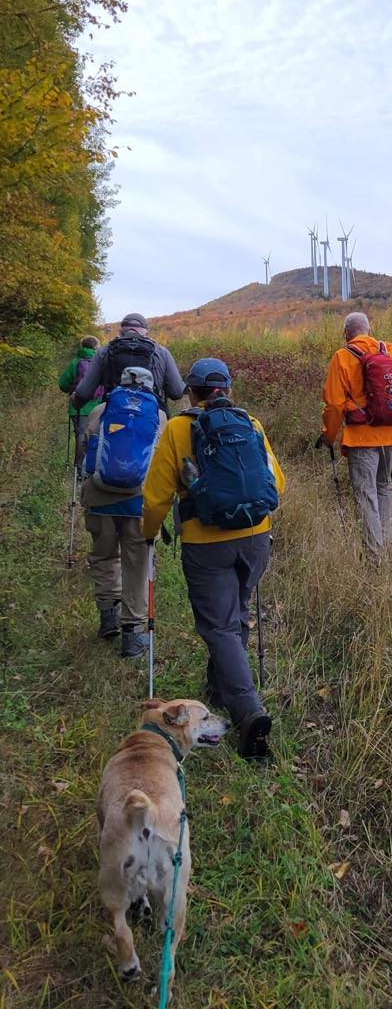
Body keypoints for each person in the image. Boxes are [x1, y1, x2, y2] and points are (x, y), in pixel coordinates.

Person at [142, 358, 285, 762]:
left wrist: (148, 533)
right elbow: (278, 482)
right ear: (227, 388)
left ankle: (247, 714)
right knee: (235, 614)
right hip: (257, 537)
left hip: (207, 543)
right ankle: (218, 687)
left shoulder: (177, 428)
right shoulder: (251, 423)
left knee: (220, 627)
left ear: (192, 391)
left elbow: (155, 496)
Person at [81, 368, 168, 654]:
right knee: (138, 565)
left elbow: (86, 448)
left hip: (100, 498)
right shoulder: (158, 415)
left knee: (105, 556)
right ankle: (132, 635)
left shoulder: (102, 410)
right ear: (149, 386)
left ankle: (108, 617)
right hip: (139, 503)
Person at [322, 312, 392, 554]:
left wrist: (329, 436)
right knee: (385, 487)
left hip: (362, 438)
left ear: (346, 334)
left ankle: (376, 559)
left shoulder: (342, 357)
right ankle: (385, 550)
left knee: (366, 494)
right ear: (369, 330)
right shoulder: (389, 352)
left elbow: (334, 405)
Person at [72, 312, 185, 411]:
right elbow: (177, 392)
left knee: (92, 430)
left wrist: (76, 402)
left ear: (121, 332)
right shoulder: (162, 352)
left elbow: (84, 392)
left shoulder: (104, 351)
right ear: (146, 333)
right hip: (152, 417)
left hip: (113, 416)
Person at [59, 335, 102, 464]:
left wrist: (73, 389)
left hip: (77, 406)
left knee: (81, 436)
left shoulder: (75, 362)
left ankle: (78, 469)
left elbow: (63, 384)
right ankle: (92, 466)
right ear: (96, 347)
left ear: (82, 346)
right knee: (96, 436)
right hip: (97, 406)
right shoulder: (100, 362)